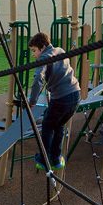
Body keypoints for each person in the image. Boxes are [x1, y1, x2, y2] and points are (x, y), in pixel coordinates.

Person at [27, 32, 82, 170]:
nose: (34, 54)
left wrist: (32, 100)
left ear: (43, 47)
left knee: (46, 126)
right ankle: (56, 158)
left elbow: (38, 79)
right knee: (59, 125)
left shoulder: (44, 58)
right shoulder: (60, 50)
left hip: (61, 98)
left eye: (34, 51)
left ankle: (44, 159)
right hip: (76, 94)